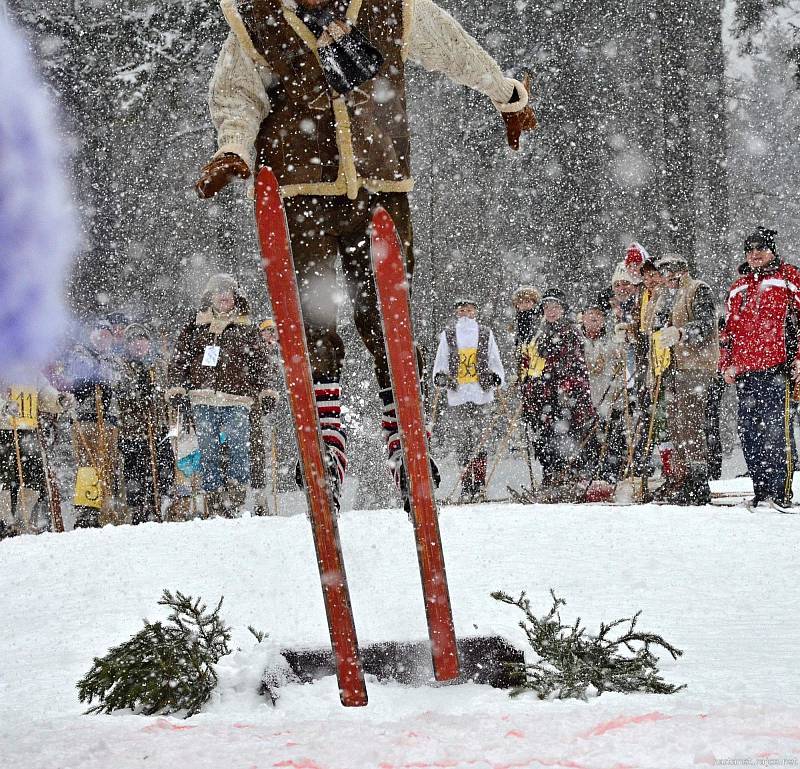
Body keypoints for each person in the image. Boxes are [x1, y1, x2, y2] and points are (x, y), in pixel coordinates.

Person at [194, 0, 537, 509]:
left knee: (386, 315)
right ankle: (326, 443)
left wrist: (505, 94)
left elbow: (452, 47)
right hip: (299, 185)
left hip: (380, 185)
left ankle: (404, 437)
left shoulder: (387, 7)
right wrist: (234, 149)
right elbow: (237, 95)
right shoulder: (260, 18)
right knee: (313, 314)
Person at [167, 274, 273, 518]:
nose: (224, 296)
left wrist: (266, 391)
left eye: (228, 292)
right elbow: (180, 359)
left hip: (237, 399)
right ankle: (214, 501)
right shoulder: (195, 325)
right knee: (208, 450)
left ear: (236, 297)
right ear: (210, 296)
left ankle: (234, 498)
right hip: (202, 398)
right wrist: (177, 388)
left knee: (239, 449)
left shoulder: (246, 327)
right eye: (218, 291)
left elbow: (260, 363)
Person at [720, 228, 800, 511]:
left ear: (772, 251)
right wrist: (726, 363)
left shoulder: (788, 278)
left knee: (777, 433)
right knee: (750, 433)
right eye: (750, 250)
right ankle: (761, 490)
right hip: (746, 373)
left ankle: (780, 492)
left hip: (778, 368)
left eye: (761, 249)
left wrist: (798, 357)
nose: (755, 254)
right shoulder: (737, 287)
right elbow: (727, 331)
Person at [647, 254, 718, 505]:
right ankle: (683, 476)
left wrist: (682, 333)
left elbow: (707, 324)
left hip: (695, 366)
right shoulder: (670, 295)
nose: (665, 279)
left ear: (680, 271)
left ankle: (698, 481)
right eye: (663, 274)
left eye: (668, 273)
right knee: (676, 424)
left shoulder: (698, 289)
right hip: (674, 368)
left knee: (690, 423)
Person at [518, 289, 597, 501]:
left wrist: (560, 385)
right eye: (547, 308)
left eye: (555, 307)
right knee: (544, 440)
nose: (550, 311)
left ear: (562, 309)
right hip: (543, 396)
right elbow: (532, 362)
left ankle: (567, 479)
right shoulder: (540, 331)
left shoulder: (569, 331)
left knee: (565, 438)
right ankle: (551, 477)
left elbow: (572, 365)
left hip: (565, 396)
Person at [432, 299, 504, 502]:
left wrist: (496, 376)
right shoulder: (449, 335)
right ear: (457, 313)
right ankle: (466, 485)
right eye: (462, 310)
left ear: (475, 312)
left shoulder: (485, 333)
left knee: (480, 441)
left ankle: (479, 484)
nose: (465, 313)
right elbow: (441, 360)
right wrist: (440, 376)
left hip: (481, 393)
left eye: (469, 310)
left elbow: (494, 358)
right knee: (463, 442)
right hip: (458, 395)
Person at [61, 319, 123, 528]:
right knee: (88, 465)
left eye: (108, 335)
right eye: (100, 334)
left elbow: (116, 379)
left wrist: (101, 377)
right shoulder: (80, 353)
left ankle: (106, 506)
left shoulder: (114, 359)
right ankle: (87, 510)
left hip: (108, 420)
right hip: (86, 418)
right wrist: (95, 378)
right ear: (92, 334)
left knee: (107, 463)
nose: (103, 339)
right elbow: (81, 376)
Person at [117, 324, 174, 525]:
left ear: (149, 343)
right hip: (133, 429)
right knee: (135, 469)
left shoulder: (159, 364)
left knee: (164, 465)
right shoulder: (122, 365)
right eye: (133, 341)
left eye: (142, 339)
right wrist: (138, 389)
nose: (138, 344)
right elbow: (123, 392)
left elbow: (167, 389)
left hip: (158, 426)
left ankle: (159, 502)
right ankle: (138, 507)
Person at [249, 318, 282, 515]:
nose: (270, 335)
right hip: (258, 409)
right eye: (266, 331)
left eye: (272, 331)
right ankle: (260, 499)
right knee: (257, 452)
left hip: (279, 411)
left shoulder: (280, 354)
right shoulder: (254, 354)